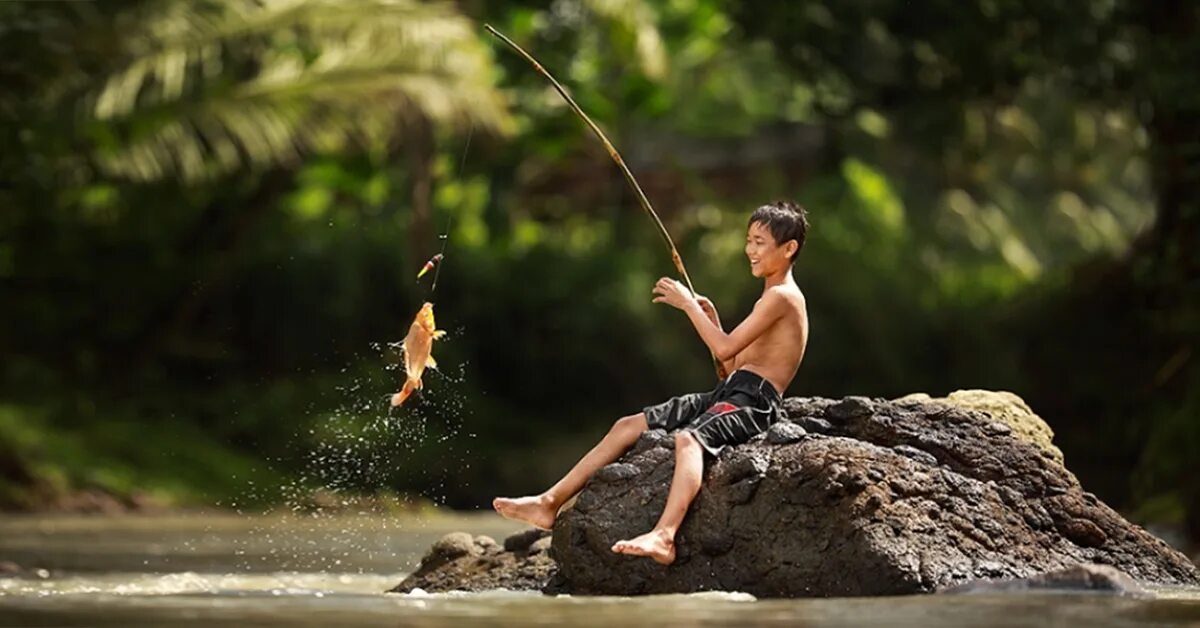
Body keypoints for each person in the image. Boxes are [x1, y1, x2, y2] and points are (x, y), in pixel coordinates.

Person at [493, 201, 810, 565]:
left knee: (690, 439)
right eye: (748, 240)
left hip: (755, 402)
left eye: (760, 242)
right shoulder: (769, 297)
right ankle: (549, 502)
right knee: (628, 424)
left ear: (789, 249)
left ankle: (664, 535)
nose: (750, 251)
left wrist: (689, 306)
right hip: (732, 390)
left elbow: (727, 351)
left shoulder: (783, 297)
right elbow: (730, 365)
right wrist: (712, 318)